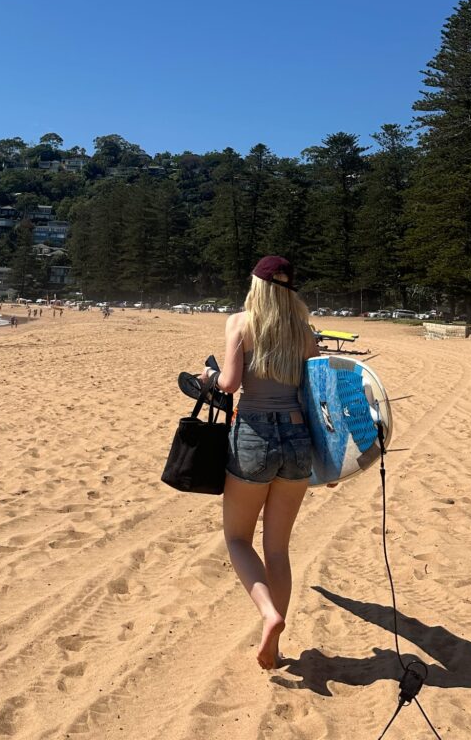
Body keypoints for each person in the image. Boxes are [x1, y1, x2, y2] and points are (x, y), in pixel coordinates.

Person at [198, 255, 320, 671]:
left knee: (237, 539)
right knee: (278, 548)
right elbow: (316, 395)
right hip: (298, 439)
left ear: (257, 287)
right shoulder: (303, 331)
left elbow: (230, 384)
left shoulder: (240, 323)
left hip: (253, 436)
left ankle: (268, 614)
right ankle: (276, 647)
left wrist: (208, 377)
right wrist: (327, 460)